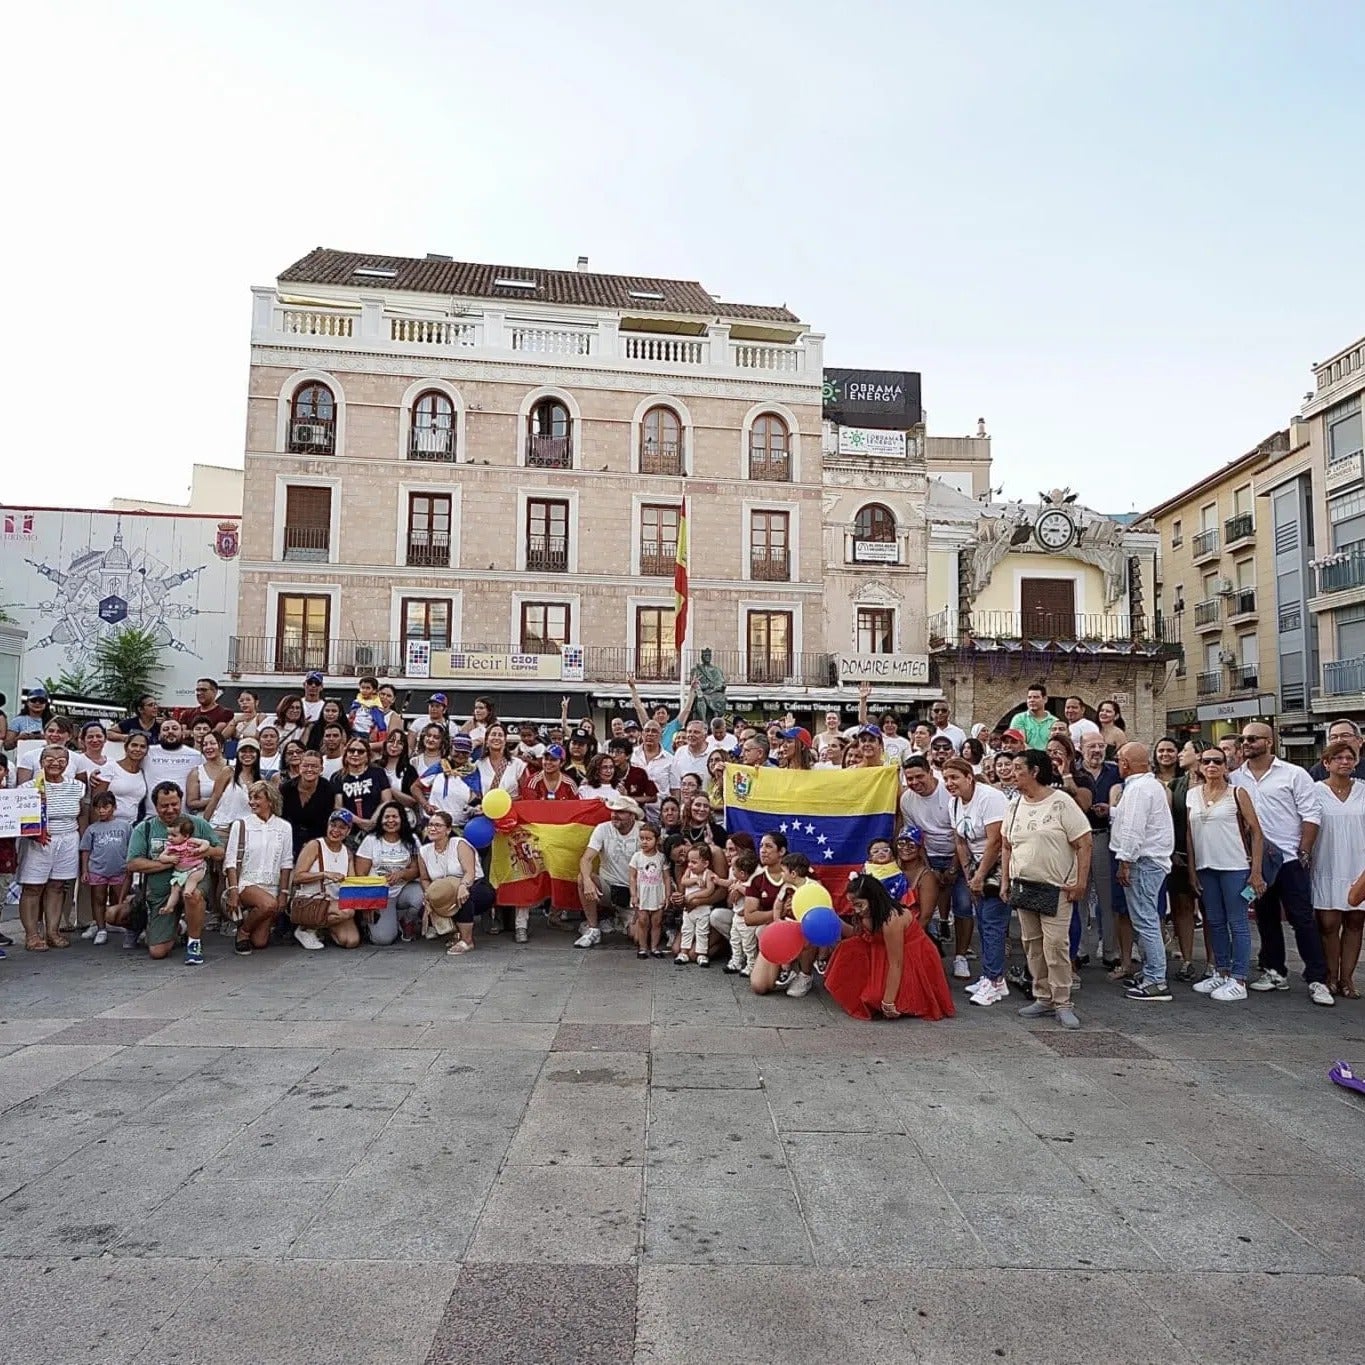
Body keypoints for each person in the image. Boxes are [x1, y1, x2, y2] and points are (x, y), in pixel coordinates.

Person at [1230, 722, 1331, 1004]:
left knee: (1302, 919)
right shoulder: (1236, 778)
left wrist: (1304, 852)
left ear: (1269, 742)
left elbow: (1311, 814)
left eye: (1252, 738)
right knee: (1266, 917)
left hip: (1288, 858)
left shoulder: (1294, 774)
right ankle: (1275, 970)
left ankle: (1317, 978)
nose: (1246, 743)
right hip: (1258, 862)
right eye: (1243, 739)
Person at [1001, 749, 1092, 1029]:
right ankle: (1042, 996)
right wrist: (1005, 880)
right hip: (1024, 885)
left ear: (1035, 772)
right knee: (1032, 944)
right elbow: (1007, 845)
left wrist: (1080, 881)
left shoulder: (1061, 802)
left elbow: (1084, 842)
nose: (1011, 773)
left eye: (1017, 768)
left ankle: (1063, 1001)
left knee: (1055, 946)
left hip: (1057, 888)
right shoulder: (1015, 805)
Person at [1187, 746, 1264, 1002]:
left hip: (1234, 866)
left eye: (1217, 761)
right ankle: (1221, 970)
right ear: (1199, 766)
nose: (1211, 766)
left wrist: (1255, 871)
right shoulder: (1192, 795)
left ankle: (1239, 978)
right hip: (1206, 867)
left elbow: (1256, 832)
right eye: (1206, 761)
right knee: (1215, 922)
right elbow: (1189, 835)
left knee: (1238, 922)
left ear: (1225, 766)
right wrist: (1192, 870)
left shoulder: (1237, 793)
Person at [824, 873, 955, 1021]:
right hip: (881, 950)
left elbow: (896, 964)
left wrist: (888, 1001)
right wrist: (834, 919)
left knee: (876, 998)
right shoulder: (868, 912)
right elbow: (858, 935)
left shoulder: (892, 920)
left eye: (859, 905)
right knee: (847, 948)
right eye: (853, 905)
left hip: (910, 957)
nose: (856, 910)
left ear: (873, 900)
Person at [121, 782, 224, 964]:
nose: (170, 809)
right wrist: (168, 864)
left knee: (192, 895)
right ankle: (179, 927)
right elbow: (132, 863)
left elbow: (220, 851)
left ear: (181, 801)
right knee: (157, 951)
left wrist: (202, 852)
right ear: (155, 806)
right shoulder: (144, 828)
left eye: (174, 804)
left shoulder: (198, 824)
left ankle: (194, 944)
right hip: (161, 893)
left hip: (193, 876)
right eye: (164, 806)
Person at [1109, 743, 1176, 1002]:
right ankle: (1151, 971)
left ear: (1125, 763)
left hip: (1143, 861)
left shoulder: (1138, 789)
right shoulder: (1149, 786)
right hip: (1148, 860)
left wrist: (1125, 861)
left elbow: (1133, 829)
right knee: (1144, 919)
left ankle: (1156, 980)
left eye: (1119, 760)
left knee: (1146, 920)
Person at [942, 757, 1009, 1001]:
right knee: (982, 920)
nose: (950, 783)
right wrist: (969, 873)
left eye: (954, 777)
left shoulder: (989, 797)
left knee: (992, 921)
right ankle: (993, 976)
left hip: (1000, 864)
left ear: (969, 777)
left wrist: (980, 875)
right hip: (976, 864)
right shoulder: (954, 804)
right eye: (946, 778)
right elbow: (960, 840)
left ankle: (993, 980)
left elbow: (996, 840)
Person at [17, 745, 87, 950]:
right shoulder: (28, 787)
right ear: (41, 762)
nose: (55, 763)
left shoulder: (78, 786)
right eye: (49, 758)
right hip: (38, 842)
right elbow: (19, 816)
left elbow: (81, 813)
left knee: (57, 886)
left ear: (67, 763)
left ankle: (52, 932)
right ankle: (31, 936)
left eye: (61, 759)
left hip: (68, 838)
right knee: (32, 887)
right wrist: (34, 832)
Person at [1311, 739, 1365, 1000]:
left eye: (1349, 757)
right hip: (1327, 862)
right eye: (1339, 758)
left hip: (1359, 864)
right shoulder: (1314, 791)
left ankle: (1347, 980)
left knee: (1355, 921)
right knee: (1329, 923)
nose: (1345, 762)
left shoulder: (1364, 790)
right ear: (1326, 763)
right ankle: (1330, 975)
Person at [223, 782, 294, 956]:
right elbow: (231, 860)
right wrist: (233, 891)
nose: (252, 802)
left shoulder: (284, 827)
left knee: (260, 942)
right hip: (246, 881)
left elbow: (286, 863)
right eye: (250, 798)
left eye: (257, 798)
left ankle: (249, 919)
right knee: (268, 904)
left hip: (272, 884)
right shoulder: (241, 825)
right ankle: (243, 931)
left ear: (270, 800)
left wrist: (284, 893)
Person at [417, 809, 492, 956]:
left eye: (438, 825)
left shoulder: (459, 844)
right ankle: (455, 933)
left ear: (448, 829)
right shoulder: (424, 851)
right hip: (446, 889)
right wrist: (428, 894)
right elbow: (425, 878)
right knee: (427, 906)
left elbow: (470, 872)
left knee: (464, 898)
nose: (432, 828)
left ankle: (467, 940)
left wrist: (464, 886)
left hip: (473, 885)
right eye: (430, 825)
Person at [899, 756, 957, 946]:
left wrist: (953, 869)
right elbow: (915, 838)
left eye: (919, 776)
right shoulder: (906, 799)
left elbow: (960, 835)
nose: (915, 783)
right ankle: (929, 941)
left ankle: (962, 954)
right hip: (928, 853)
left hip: (956, 851)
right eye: (910, 779)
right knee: (923, 902)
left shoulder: (949, 793)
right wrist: (929, 868)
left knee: (963, 905)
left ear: (931, 773)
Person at [575, 793, 642, 948]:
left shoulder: (643, 831)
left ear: (632, 815)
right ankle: (593, 929)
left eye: (620, 812)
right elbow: (586, 859)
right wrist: (587, 881)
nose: (614, 815)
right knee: (583, 878)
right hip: (608, 887)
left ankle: (619, 920)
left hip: (634, 893)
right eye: (613, 811)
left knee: (637, 937)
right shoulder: (603, 829)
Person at [1078, 733, 1122, 968]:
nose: (1096, 750)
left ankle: (1109, 950)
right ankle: (1081, 949)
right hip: (1079, 839)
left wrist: (1111, 808)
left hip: (1105, 837)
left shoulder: (1115, 771)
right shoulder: (1074, 773)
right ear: (1081, 748)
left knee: (1107, 898)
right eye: (1091, 746)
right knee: (1080, 896)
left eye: (1100, 746)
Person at [288, 809, 361, 950]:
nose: (336, 830)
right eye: (333, 825)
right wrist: (324, 874)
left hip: (334, 903)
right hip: (310, 900)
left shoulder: (347, 853)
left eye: (342, 827)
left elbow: (352, 883)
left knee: (351, 941)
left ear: (348, 831)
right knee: (347, 912)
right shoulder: (315, 845)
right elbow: (297, 878)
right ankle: (306, 929)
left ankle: (322, 929)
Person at [355, 804, 424, 944]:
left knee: (423, 894)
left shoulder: (412, 839)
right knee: (383, 939)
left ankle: (407, 920)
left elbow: (417, 870)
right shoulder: (371, 840)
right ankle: (381, 922)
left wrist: (403, 873)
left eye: (395, 816)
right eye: (387, 817)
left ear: (402, 819)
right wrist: (367, 904)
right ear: (381, 820)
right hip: (377, 895)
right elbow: (360, 874)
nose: (390, 820)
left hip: (403, 889)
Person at [78, 790, 132, 945]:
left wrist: (131, 865)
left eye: (105, 806)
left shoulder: (124, 826)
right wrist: (85, 871)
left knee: (120, 898)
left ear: (114, 807)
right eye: (98, 808)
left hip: (120, 869)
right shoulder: (92, 829)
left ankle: (119, 924)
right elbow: (86, 851)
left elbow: (131, 846)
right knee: (98, 898)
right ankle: (101, 927)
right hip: (97, 870)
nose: (101, 810)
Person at [330, 737, 393, 838]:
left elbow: (387, 800)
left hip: (378, 828)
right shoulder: (337, 777)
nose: (355, 754)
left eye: (360, 751)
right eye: (351, 751)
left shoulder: (378, 773)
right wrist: (360, 822)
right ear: (346, 754)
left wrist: (372, 821)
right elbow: (338, 806)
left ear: (368, 755)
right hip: (349, 831)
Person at [89, 730, 150, 825]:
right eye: (134, 745)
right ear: (126, 747)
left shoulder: (142, 772)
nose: (138, 749)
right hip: (107, 825)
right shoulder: (110, 768)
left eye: (142, 747)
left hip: (131, 827)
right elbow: (95, 802)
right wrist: (96, 829)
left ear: (146, 751)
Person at [281, 750, 335, 856]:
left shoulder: (328, 789)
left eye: (314, 766)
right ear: (300, 767)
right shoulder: (287, 788)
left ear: (321, 769)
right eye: (306, 766)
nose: (309, 769)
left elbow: (326, 820)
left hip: (317, 842)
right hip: (289, 841)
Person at [159, 817, 212, 921]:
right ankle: (169, 907)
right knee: (174, 888)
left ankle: (187, 891)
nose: (170, 838)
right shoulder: (170, 846)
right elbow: (161, 857)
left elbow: (206, 843)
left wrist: (200, 849)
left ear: (186, 836)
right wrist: (170, 858)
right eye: (168, 834)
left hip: (196, 868)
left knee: (192, 879)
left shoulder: (191, 841)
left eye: (174, 835)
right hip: (180, 872)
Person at [628, 822, 668, 959]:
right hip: (642, 893)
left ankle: (655, 947)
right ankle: (643, 948)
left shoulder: (661, 858)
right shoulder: (637, 857)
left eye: (648, 839)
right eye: (642, 838)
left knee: (657, 921)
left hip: (657, 893)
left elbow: (666, 878)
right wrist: (633, 895)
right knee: (643, 920)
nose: (644, 842)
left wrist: (667, 896)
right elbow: (632, 877)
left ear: (656, 840)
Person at [675, 843, 717, 966]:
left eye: (694, 862)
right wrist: (694, 880)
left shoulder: (708, 874)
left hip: (702, 909)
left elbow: (709, 890)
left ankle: (702, 954)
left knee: (702, 932)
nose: (690, 865)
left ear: (705, 863)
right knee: (687, 929)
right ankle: (683, 952)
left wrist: (693, 896)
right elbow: (683, 881)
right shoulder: (689, 872)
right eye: (689, 861)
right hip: (688, 910)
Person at [143, 718, 205, 799]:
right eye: (165, 729)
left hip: (185, 811)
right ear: (159, 735)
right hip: (150, 811)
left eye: (175, 729)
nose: (170, 731)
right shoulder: (147, 752)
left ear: (183, 733)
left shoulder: (197, 756)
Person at [1009, 682, 1056, 750]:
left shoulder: (1054, 721)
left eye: (1036, 697)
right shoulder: (1018, 719)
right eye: (1029, 697)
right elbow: (1019, 743)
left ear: (1045, 699)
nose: (1032, 700)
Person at [346, 676, 388, 750]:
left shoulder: (377, 705)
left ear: (374, 690)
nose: (364, 690)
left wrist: (375, 731)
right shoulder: (357, 702)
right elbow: (351, 715)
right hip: (354, 731)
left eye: (368, 688)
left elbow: (379, 721)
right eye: (362, 688)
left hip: (367, 733)